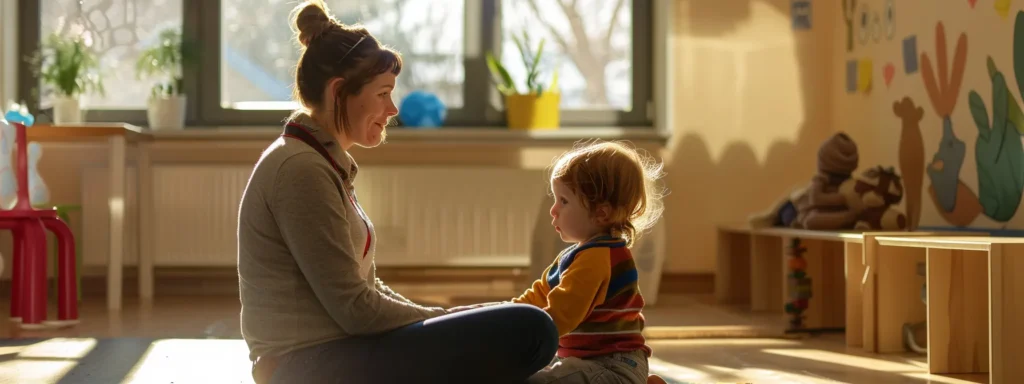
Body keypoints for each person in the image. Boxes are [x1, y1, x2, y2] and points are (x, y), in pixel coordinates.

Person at [236, 1, 558, 383]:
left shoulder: (317, 161)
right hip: (307, 366)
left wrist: (452, 318)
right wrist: (447, 319)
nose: (392, 109)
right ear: (339, 92)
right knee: (532, 329)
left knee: (512, 327)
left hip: (333, 352)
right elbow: (356, 311)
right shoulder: (301, 170)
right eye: (382, 93)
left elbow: (364, 290)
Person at [452, 140, 668, 384]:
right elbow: (535, 298)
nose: (553, 211)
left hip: (612, 367)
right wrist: (495, 315)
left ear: (601, 213)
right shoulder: (576, 255)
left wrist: (510, 336)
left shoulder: (598, 259)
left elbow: (560, 316)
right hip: (589, 362)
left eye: (564, 201)